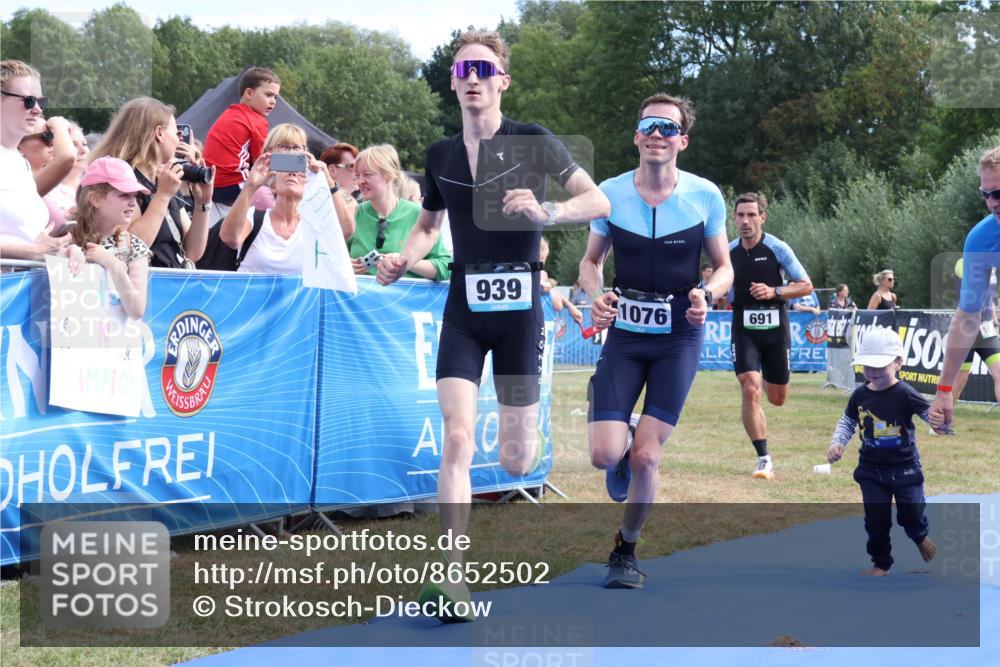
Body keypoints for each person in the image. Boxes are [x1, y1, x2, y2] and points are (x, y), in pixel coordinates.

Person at [376, 30, 609, 618]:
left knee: (514, 460)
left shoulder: (531, 142)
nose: (473, 78)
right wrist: (405, 254)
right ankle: (451, 573)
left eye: (484, 68)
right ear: (453, 83)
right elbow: (429, 224)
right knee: (455, 434)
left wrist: (547, 209)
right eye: (463, 70)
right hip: (464, 303)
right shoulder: (440, 154)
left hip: (520, 305)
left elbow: (598, 200)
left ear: (502, 80)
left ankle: (530, 419)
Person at [580, 93, 731, 588]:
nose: (657, 134)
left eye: (668, 127)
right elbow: (590, 263)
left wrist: (706, 294)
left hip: (677, 338)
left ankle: (625, 550)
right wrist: (596, 295)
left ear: (681, 141)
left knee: (647, 455)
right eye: (649, 125)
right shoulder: (609, 193)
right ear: (636, 137)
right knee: (606, 456)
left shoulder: (705, 195)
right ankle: (613, 430)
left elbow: (725, 268)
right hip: (624, 336)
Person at [827, 326, 937, 576]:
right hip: (871, 470)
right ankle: (881, 563)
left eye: (880, 366)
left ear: (899, 362)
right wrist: (837, 443)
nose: (873, 372)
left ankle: (919, 536)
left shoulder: (905, 393)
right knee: (876, 520)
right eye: (867, 366)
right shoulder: (860, 395)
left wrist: (939, 422)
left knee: (911, 512)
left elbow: (927, 413)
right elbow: (847, 422)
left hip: (905, 468)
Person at [728, 192, 814, 480]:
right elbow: (715, 283)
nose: (745, 221)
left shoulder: (778, 248)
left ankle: (766, 382)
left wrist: (774, 291)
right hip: (744, 328)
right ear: (734, 218)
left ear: (762, 217)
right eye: (740, 215)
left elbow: (805, 286)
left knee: (777, 398)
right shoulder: (728, 253)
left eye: (751, 215)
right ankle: (763, 458)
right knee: (750, 387)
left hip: (775, 329)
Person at [91, 97, 214, 269]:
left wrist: (203, 203)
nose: (179, 140)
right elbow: (126, 249)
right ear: (159, 133)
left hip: (171, 285)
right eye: (177, 133)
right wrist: (163, 196)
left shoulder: (164, 180)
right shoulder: (123, 180)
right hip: (142, 286)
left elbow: (192, 253)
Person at [930, 146, 1000, 429]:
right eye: (987, 194)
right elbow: (968, 315)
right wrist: (944, 391)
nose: (993, 202)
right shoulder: (982, 240)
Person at [56, 157, 152, 319]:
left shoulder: (134, 247)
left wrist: (112, 263)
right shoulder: (66, 234)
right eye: (124, 195)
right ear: (95, 199)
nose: (133, 203)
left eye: (135, 196)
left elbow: (137, 311)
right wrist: (64, 255)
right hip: (69, 336)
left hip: (112, 341)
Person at [349, 144, 450, 280]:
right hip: (359, 300)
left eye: (367, 174)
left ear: (389, 176)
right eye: (357, 175)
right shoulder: (354, 214)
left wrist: (404, 262)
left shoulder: (417, 213)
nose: (360, 181)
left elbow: (445, 266)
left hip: (405, 300)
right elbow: (330, 260)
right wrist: (344, 265)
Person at [0, 59, 68, 260]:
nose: (38, 109)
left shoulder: (20, 163)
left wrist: (62, 249)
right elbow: (30, 246)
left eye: (42, 102)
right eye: (29, 100)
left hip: (19, 285)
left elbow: (29, 238)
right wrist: (30, 250)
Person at [203, 67, 280, 218]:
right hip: (233, 186)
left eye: (276, 97)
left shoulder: (229, 113)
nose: (273, 102)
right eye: (269, 95)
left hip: (210, 185)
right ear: (249, 93)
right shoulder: (257, 122)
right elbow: (261, 160)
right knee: (279, 199)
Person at [952, 263, 999, 406]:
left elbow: (989, 297)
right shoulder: (964, 262)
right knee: (961, 378)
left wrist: (994, 320)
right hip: (966, 328)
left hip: (986, 329)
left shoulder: (993, 268)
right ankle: (941, 420)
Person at [43, 122, 89, 229]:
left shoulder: (95, 184)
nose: (83, 150)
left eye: (84, 144)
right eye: (73, 144)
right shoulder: (47, 191)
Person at [539, 237, 582, 326]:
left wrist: (571, 307)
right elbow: (558, 305)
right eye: (544, 258)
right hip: (541, 328)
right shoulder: (539, 275)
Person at [319, 142, 361, 225]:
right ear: (332, 171)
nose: (358, 172)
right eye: (352, 166)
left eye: (359, 166)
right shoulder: (321, 203)